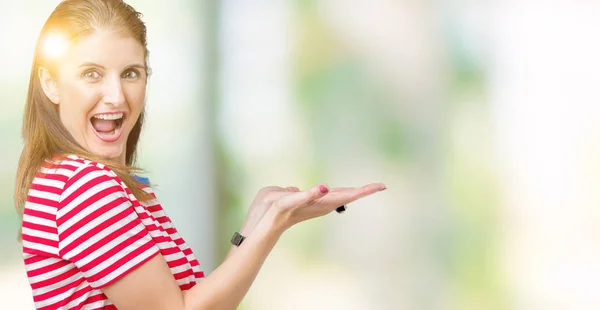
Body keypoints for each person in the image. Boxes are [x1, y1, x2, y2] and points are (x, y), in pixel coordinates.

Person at [14, 0, 387, 309]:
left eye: (131, 73)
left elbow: (193, 302)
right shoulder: (86, 187)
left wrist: (253, 225)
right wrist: (274, 224)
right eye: (91, 74)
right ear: (51, 83)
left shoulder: (70, 178)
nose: (116, 96)